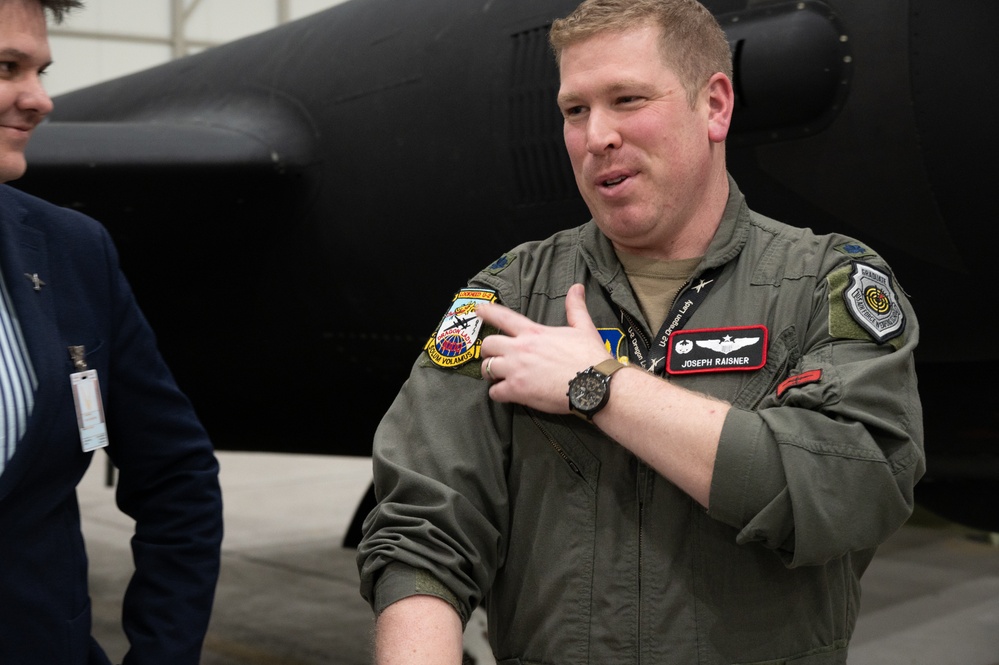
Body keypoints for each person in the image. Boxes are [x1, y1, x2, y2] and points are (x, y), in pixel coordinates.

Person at [357, 0, 924, 662]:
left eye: (626, 99)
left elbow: (854, 485)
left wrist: (601, 385)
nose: (595, 134)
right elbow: (422, 526)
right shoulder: (509, 296)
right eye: (575, 110)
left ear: (713, 105)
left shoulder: (827, 281)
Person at [0, 1, 224, 663]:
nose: (40, 99)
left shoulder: (72, 251)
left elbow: (176, 474)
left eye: (40, 70)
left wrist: (162, 652)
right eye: (6, 67)